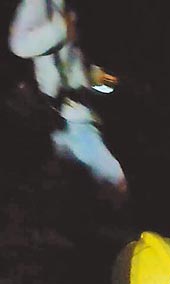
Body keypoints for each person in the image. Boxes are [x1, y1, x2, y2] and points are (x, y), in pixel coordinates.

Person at [9, 0, 127, 199]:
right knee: (113, 189)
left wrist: (96, 77)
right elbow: (19, 45)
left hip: (80, 117)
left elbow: (72, 63)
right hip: (64, 121)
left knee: (103, 194)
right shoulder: (37, 4)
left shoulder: (63, 7)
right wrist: (61, 28)